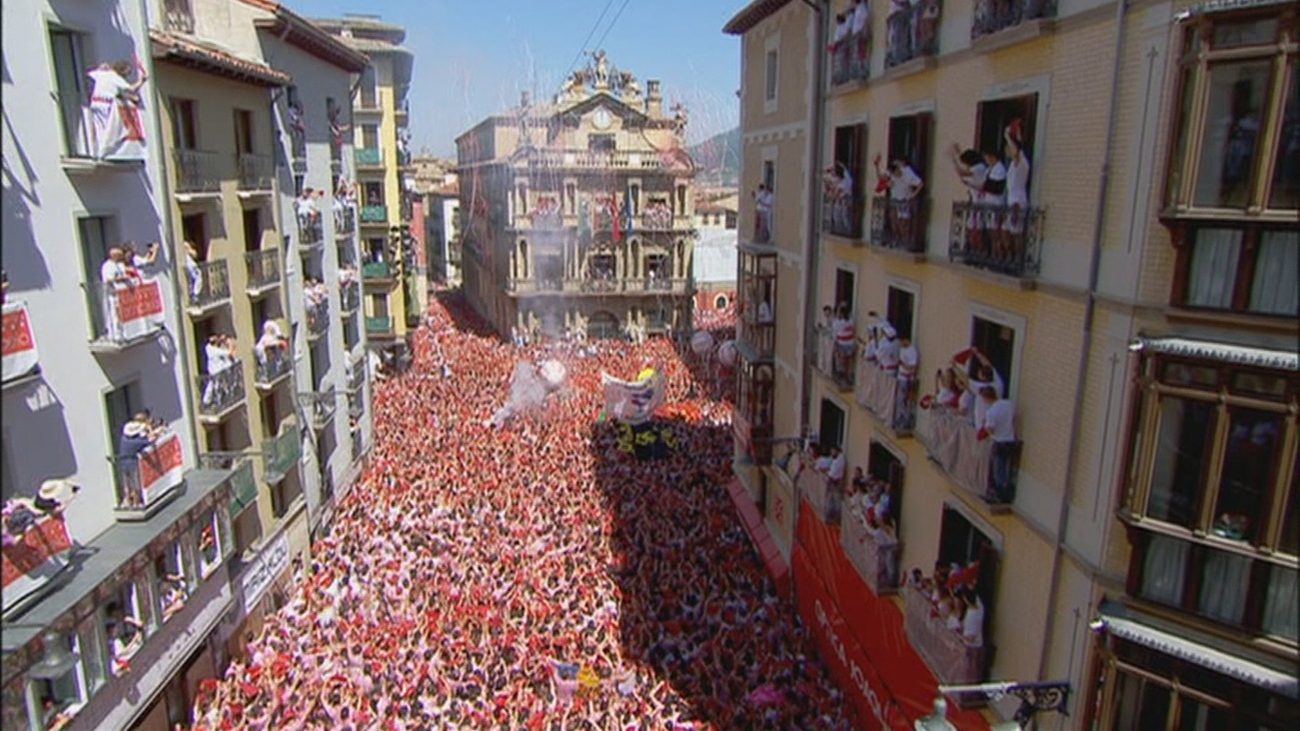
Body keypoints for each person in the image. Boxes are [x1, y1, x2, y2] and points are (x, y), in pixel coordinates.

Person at [87, 56, 149, 161]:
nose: (127, 75)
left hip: (95, 103)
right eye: (127, 72)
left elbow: (90, 74)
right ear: (122, 70)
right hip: (105, 104)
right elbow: (132, 89)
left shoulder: (102, 74)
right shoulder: (116, 78)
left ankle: (96, 152)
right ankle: (103, 153)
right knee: (108, 130)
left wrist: (99, 68)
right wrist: (142, 80)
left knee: (99, 129)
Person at [976, 385, 1017, 502]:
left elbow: (990, 429)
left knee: (999, 469)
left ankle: (1000, 494)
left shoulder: (991, 412)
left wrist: (985, 427)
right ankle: (1006, 489)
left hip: (999, 441)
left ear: (986, 398)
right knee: (1007, 466)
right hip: (1010, 439)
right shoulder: (1008, 404)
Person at [1000, 121, 1031, 270]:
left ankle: (1018, 259)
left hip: (1017, 201)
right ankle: (1009, 256)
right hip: (1011, 200)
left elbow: (1015, 152)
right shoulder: (1013, 164)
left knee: (1016, 232)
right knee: (1006, 231)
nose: (1007, 151)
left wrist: (1007, 135)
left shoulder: (1022, 161)